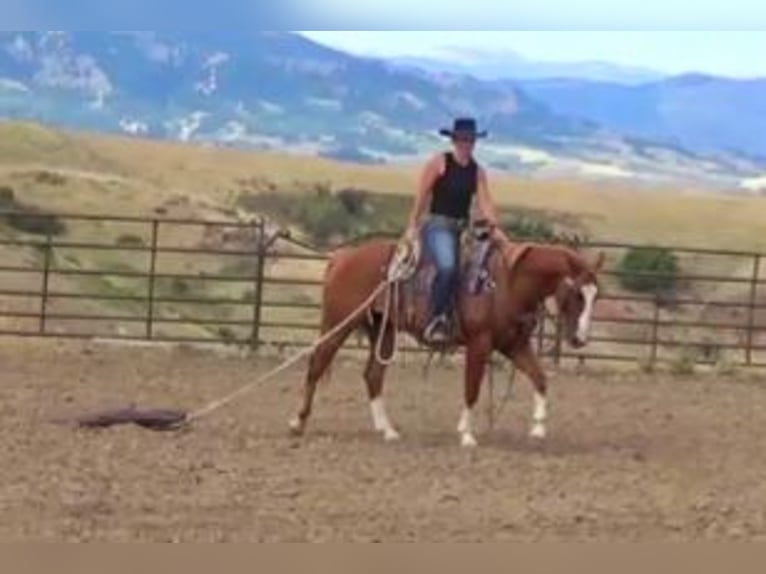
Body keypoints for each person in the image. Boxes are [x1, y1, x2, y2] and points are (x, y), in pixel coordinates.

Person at [404, 117, 503, 344]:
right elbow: (422, 194)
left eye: (470, 140)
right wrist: (412, 225)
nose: (467, 144)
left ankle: (470, 321)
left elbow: (485, 201)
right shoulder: (440, 162)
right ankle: (436, 319)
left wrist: (495, 226)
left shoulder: (477, 172)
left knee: (482, 271)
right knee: (448, 268)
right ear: (454, 140)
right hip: (438, 225)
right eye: (463, 139)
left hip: (462, 229)